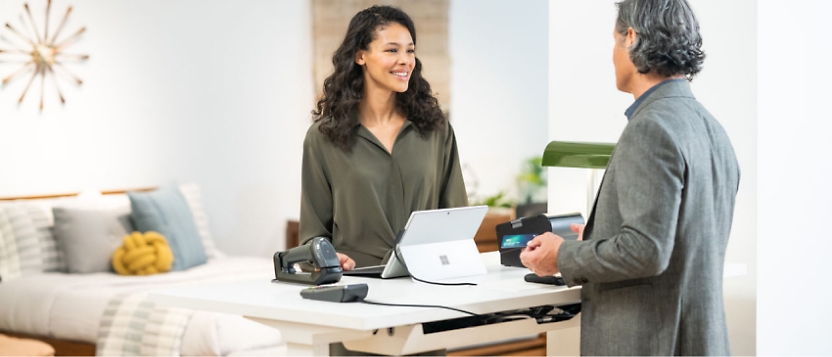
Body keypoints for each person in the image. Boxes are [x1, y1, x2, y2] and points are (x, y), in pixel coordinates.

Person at [520, 0, 740, 355]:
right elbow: (678, 239)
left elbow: (646, 251)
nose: (612, 54)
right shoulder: (711, 128)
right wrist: (597, 239)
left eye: (614, 40)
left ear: (631, 38)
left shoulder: (650, 128)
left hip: (650, 343)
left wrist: (563, 256)